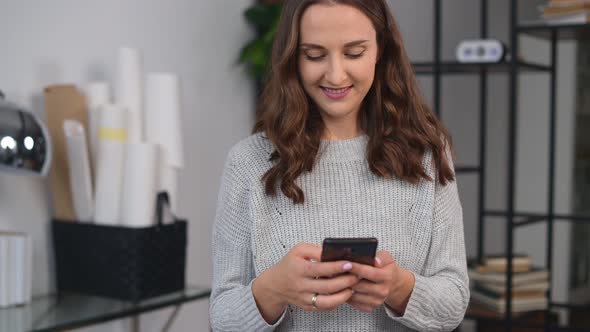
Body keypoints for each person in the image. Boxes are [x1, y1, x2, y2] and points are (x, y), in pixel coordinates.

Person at [210, 0, 469, 331]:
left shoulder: (427, 154)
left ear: (380, 50)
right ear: (293, 58)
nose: (335, 75)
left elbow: (454, 302)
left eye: (354, 53)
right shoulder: (248, 162)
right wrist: (273, 289)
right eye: (315, 55)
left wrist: (399, 287)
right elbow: (222, 317)